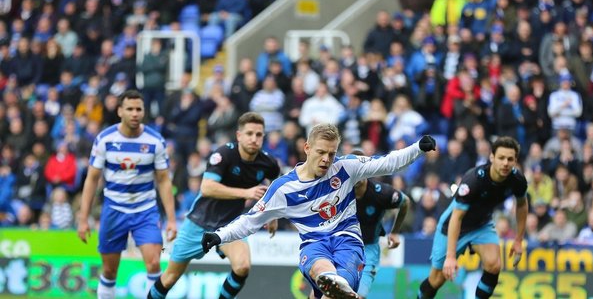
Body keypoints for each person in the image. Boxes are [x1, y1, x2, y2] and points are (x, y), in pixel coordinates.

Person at [201, 124, 436, 299]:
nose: (326, 159)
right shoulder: (284, 188)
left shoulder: (346, 167)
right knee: (323, 271)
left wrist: (418, 148)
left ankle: (336, 283)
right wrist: (219, 235)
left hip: (348, 242)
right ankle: (332, 281)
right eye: (321, 152)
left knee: (333, 291)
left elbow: (388, 162)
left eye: (331, 154)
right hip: (314, 244)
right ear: (307, 148)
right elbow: (250, 221)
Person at [148, 112, 281, 299]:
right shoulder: (224, 154)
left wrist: (272, 215)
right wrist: (246, 193)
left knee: (242, 266)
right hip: (199, 223)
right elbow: (207, 187)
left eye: (259, 135)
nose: (254, 139)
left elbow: (276, 187)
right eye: (249, 133)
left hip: (230, 224)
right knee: (169, 278)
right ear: (239, 136)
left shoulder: (268, 163)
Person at [78, 90, 177, 299]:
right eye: (130, 109)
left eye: (138, 109)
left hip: (145, 210)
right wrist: (83, 218)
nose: (135, 113)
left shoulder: (155, 141)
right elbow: (92, 179)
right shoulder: (104, 140)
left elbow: (164, 180)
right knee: (109, 271)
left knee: (153, 264)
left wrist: (172, 219)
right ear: (120, 111)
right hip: (114, 209)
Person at [417, 136, 528, 299]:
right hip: (453, 226)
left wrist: (518, 240)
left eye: (510, 159)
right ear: (492, 158)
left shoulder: (517, 180)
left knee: (494, 264)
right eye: (501, 158)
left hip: (481, 225)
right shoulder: (474, 180)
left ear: (515, 161)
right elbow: (456, 217)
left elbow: (522, 205)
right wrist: (451, 256)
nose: (505, 163)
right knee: (436, 280)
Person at [350, 150, 411, 298]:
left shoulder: (381, 194)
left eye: (361, 169)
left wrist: (395, 232)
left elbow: (405, 202)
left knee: (359, 296)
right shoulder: (339, 191)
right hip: (341, 245)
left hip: (369, 248)